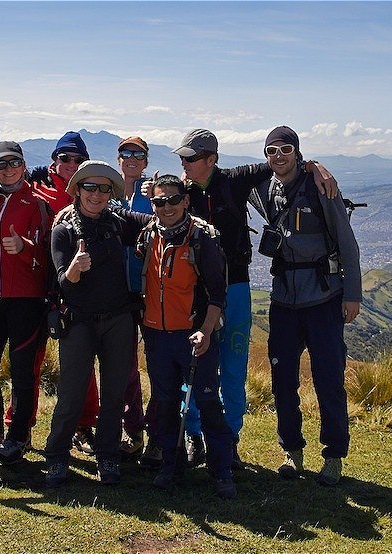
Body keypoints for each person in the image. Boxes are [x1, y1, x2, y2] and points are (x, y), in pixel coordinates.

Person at [168, 129, 339, 470]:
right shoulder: (180, 192)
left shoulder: (234, 180)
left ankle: (229, 440)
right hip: (197, 294)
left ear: (211, 160)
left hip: (236, 288)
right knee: (197, 368)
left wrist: (318, 167)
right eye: (182, 159)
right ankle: (194, 437)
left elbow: (284, 164)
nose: (183, 164)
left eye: (190, 158)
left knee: (233, 370)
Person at [251, 126, 361, 485]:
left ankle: (333, 457)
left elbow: (347, 240)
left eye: (285, 149)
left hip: (324, 298)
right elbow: (221, 181)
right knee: (283, 381)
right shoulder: (264, 187)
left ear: (297, 152)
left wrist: (352, 294)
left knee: (329, 379)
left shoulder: (320, 187)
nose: (278, 156)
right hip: (283, 299)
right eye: (271, 151)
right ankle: (292, 451)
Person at [43, 161, 151, 486]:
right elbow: (63, 281)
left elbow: (154, 221)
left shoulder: (119, 221)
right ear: (77, 190)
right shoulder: (63, 230)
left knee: (115, 395)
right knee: (72, 395)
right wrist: (75, 269)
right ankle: (57, 457)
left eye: (104, 188)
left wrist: (176, 206)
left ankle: (108, 456)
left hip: (118, 319)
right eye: (90, 187)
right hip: (78, 323)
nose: (97, 194)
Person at [138, 174, 236, 499]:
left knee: (208, 402)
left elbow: (217, 292)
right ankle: (171, 465)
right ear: (152, 203)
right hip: (157, 337)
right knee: (165, 404)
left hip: (195, 337)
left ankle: (221, 471)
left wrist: (206, 332)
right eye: (159, 201)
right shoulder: (148, 234)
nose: (166, 207)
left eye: (173, 200)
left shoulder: (201, 239)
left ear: (185, 200)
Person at [0, 142, 49, 465]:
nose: (7, 170)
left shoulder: (37, 202)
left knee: (22, 373)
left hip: (25, 300)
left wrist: (26, 246)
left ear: (23, 164)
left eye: (13, 162)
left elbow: (49, 251)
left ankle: (17, 437)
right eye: (1, 164)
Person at [28, 131, 99, 456]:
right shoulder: (35, 188)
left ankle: (84, 426)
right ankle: (20, 426)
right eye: (64, 158)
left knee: (82, 363)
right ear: (54, 161)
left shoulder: (90, 191)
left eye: (77, 159)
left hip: (76, 291)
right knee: (30, 360)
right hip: (36, 287)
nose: (71, 164)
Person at [109, 136, 159, 467]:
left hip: (151, 290)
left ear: (145, 160)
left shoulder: (152, 193)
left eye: (137, 154)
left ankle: (159, 434)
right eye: (125, 153)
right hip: (116, 292)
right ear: (118, 159)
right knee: (124, 365)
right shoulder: (106, 193)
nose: (130, 158)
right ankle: (133, 430)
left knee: (159, 364)